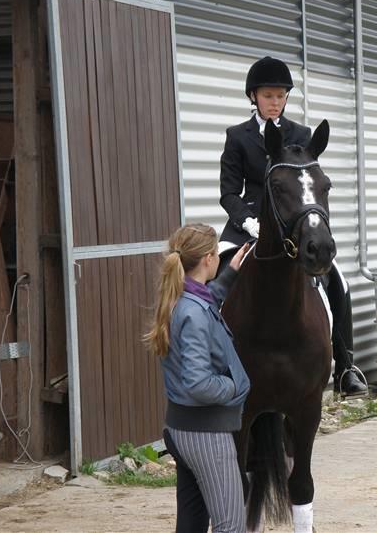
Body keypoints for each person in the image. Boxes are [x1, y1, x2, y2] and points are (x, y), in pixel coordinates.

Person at [218, 55, 367, 397]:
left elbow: (307, 185)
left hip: (290, 224)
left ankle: (346, 366)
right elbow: (228, 192)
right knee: (212, 271)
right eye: (268, 95)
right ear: (253, 96)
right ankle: (214, 357)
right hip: (248, 224)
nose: (275, 102)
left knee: (338, 281)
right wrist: (248, 221)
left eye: (280, 96)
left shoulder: (301, 134)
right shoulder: (237, 137)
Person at [144, 224, 251, 533]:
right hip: (206, 433)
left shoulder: (182, 298)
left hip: (182, 428)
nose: (218, 258)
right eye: (217, 253)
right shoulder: (192, 313)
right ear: (207, 258)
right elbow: (198, 383)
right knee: (231, 526)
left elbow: (206, 303)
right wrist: (233, 385)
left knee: (191, 525)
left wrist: (229, 274)